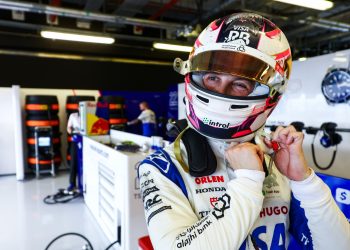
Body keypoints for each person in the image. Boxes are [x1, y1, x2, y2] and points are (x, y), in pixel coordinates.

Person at [137, 12, 350, 249]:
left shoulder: (276, 162)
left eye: (240, 84)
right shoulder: (161, 167)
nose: (222, 91)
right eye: (212, 77)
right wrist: (249, 181)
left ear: (270, 93)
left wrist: (304, 181)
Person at [66, 112, 82, 191]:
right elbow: (68, 128)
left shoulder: (89, 115)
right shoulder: (73, 115)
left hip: (86, 140)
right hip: (75, 140)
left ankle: (83, 183)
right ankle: (72, 183)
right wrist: (72, 132)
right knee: (73, 162)